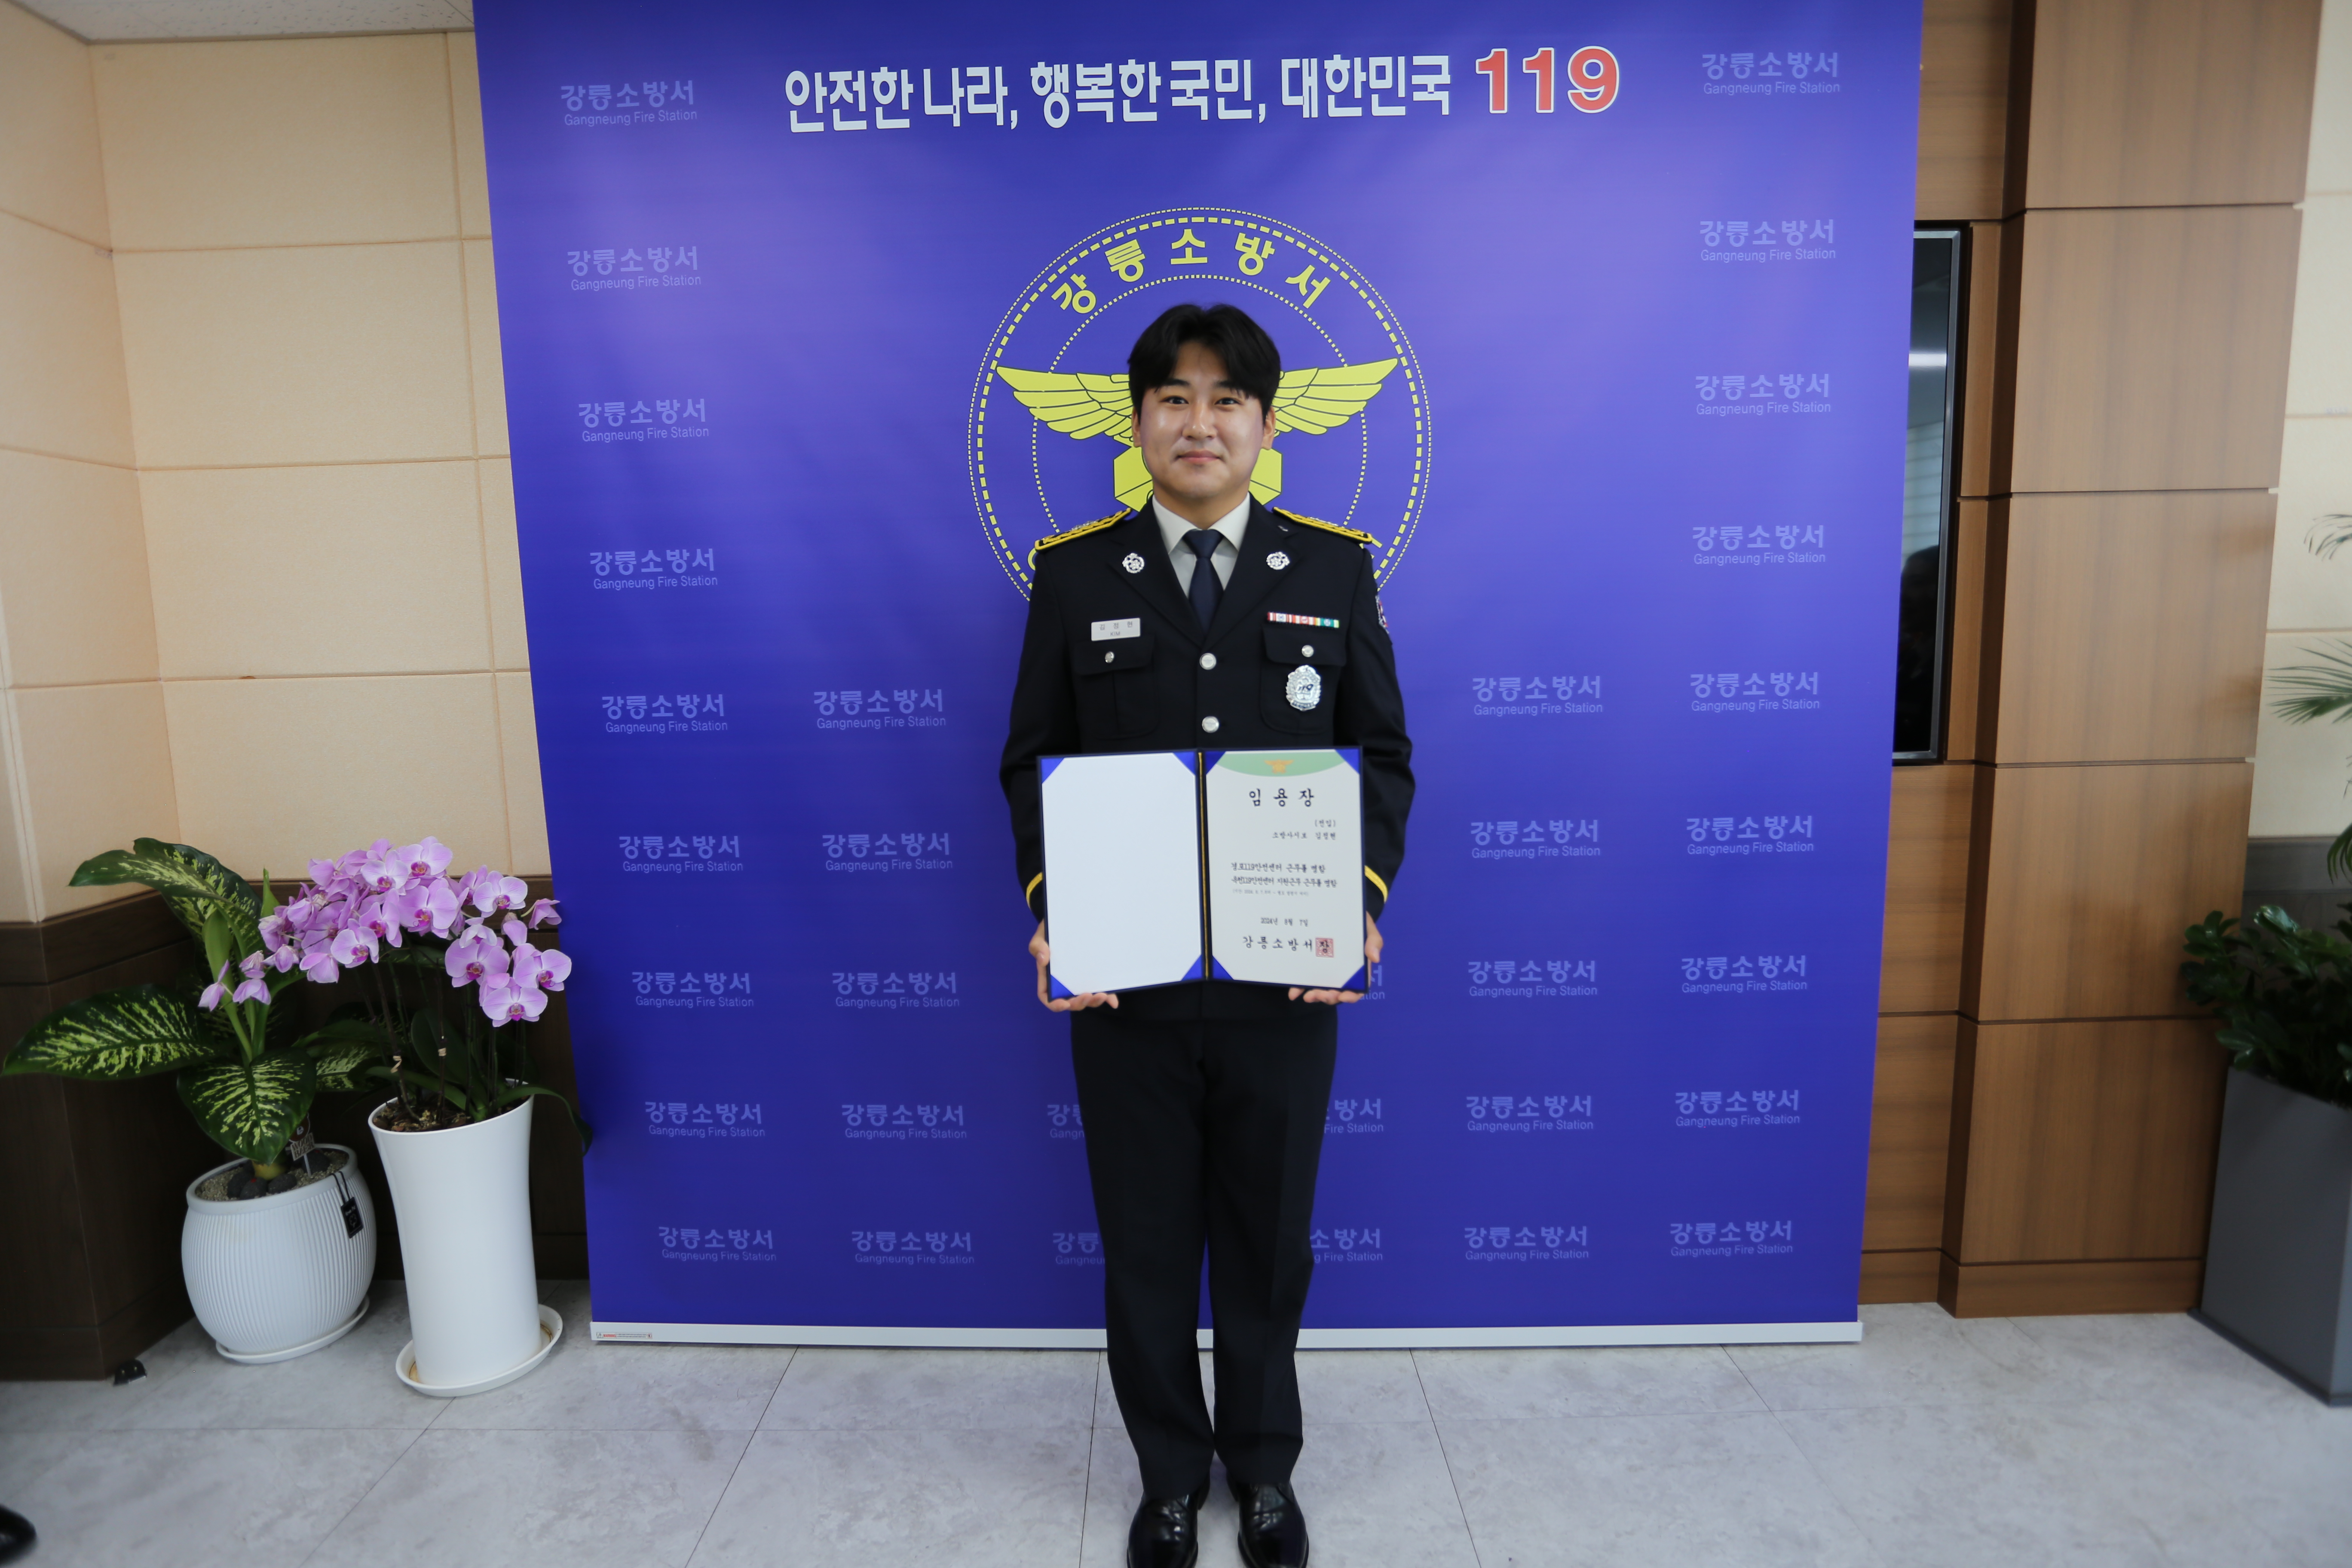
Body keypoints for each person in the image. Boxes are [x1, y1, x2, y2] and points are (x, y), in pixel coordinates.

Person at [1000, 302, 1413, 1568]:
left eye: (1228, 399)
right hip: (1125, 989)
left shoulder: (1332, 569)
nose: (1201, 422)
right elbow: (1033, 760)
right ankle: (1171, 1479)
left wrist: (1357, 902)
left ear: (1267, 425)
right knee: (1145, 1246)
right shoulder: (1076, 575)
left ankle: (1265, 1472)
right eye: (1174, 398)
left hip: (1282, 984)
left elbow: (1382, 754)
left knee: (1269, 1242)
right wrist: (1055, 914)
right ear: (1137, 424)